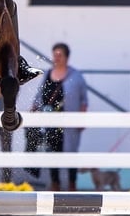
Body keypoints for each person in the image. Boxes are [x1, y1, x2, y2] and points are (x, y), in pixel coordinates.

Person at [25, 43, 88, 191]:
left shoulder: (76, 76)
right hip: (49, 121)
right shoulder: (47, 74)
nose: (56, 58)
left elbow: (83, 100)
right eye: (55, 55)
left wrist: (82, 119)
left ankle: (72, 184)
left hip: (69, 122)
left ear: (67, 57)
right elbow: (40, 95)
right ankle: (55, 183)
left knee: (71, 153)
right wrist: (34, 108)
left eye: (60, 55)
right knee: (52, 150)